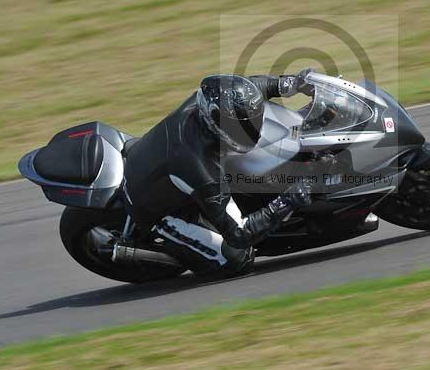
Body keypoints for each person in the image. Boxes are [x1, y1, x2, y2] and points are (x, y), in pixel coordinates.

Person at [123, 70, 316, 276]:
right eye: (241, 127)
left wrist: (294, 83)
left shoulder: (214, 101)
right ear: (217, 122)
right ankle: (171, 237)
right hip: (159, 208)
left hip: (162, 162)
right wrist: (286, 202)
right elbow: (238, 234)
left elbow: (249, 90)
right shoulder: (200, 168)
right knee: (237, 258)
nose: (255, 130)